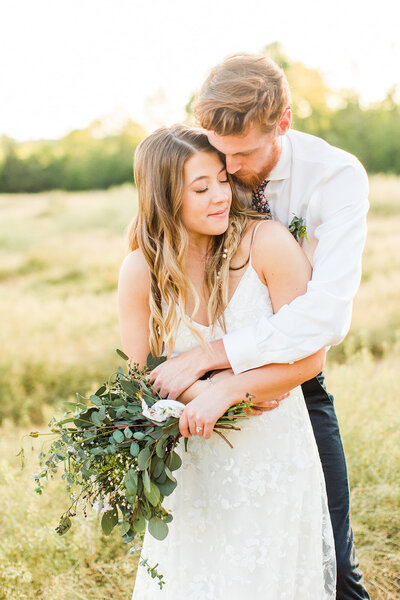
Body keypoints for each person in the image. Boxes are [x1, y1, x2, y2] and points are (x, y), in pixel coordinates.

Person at [148, 55, 370, 600]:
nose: (229, 169)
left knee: (330, 561)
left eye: (243, 154)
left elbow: (325, 318)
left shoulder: (335, 179)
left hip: (291, 387)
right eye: (218, 153)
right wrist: (201, 380)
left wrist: (220, 366)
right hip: (197, 396)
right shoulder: (212, 166)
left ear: (284, 122)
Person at [119, 124, 336, 599]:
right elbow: (135, 378)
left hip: (272, 452)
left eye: (222, 179)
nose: (220, 196)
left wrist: (231, 389)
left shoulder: (268, 243)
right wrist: (205, 395)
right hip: (194, 459)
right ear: (164, 196)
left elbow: (311, 357)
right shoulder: (142, 271)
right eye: (201, 188)